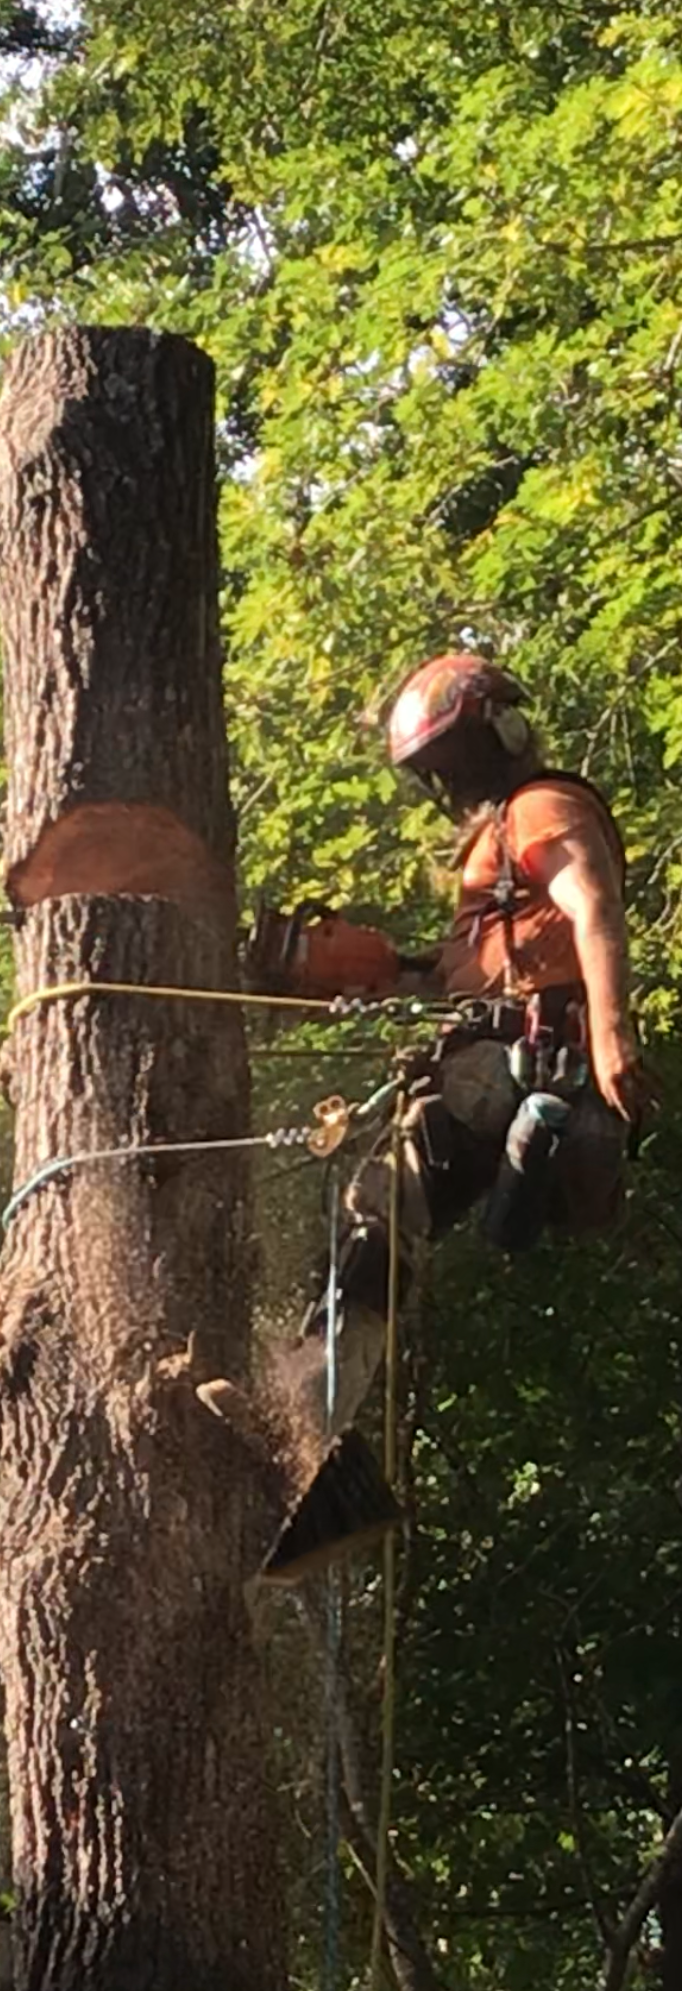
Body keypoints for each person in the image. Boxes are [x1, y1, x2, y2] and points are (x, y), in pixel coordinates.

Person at [249, 651, 648, 1575]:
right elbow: (463, 972)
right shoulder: (494, 860)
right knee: (375, 1221)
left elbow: (592, 904)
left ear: (497, 738)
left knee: (382, 1203)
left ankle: (306, 1420)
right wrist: (350, 967)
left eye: (455, 764)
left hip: (524, 1059)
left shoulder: (541, 808)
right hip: (492, 1055)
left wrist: (613, 1033)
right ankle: (308, 1424)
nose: (450, 787)